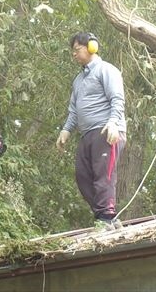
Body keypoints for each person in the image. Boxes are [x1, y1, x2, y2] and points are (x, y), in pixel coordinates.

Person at [56, 32, 127, 227]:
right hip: (87, 134)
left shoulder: (106, 70)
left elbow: (117, 99)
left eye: (77, 50)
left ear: (91, 47)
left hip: (107, 131)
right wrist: (66, 130)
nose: (74, 54)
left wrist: (113, 122)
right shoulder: (78, 80)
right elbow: (73, 110)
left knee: (104, 175)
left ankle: (105, 216)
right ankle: (106, 217)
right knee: (83, 176)